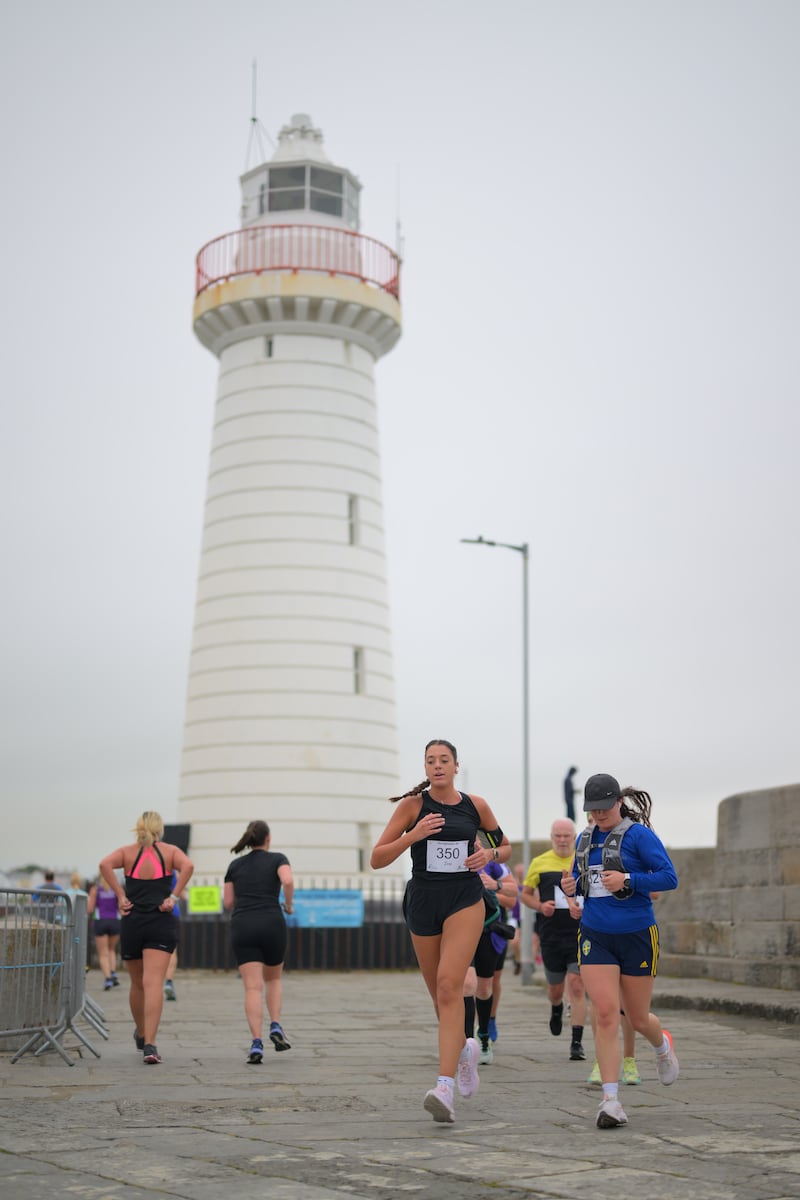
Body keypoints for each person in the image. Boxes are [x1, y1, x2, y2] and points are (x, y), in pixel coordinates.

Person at [370, 738, 511, 1124]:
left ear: (455, 765)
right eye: (430, 761)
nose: (437, 766)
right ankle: (465, 1050)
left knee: (451, 986)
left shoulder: (475, 806)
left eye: (444, 760)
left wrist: (489, 854)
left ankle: (444, 1087)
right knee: (440, 999)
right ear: (426, 767)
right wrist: (413, 835)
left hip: (464, 899)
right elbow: (377, 859)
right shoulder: (413, 807)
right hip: (423, 902)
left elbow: (506, 846)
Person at [561, 773, 679, 1129]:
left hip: (637, 935)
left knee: (638, 1018)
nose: (597, 815)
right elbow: (580, 883)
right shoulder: (584, 840)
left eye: (602, 808)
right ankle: (610, 1101)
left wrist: (629, 880)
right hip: (595, 936)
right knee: (607, 1015)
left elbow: (669, 877)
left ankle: (662, 1046)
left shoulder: (639, 836)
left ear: (617, 802)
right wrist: (572, 888)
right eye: (591, 810)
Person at [99, 811, 193, 1065]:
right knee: (154, 984)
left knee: (137, 984)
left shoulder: (128, 852)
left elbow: (104, 864)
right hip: (161, 922)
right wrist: (173, 896)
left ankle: (141, 1032)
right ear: (160, 829)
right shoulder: (171, 851)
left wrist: (120, 895)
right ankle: (150, 1045)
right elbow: (189, 866)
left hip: (133, 921)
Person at [223, 820, 294, 1064]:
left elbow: (228, 902)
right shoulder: (278, 859)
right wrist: (289, 903)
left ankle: (256, 1041)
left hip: (243, 925)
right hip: (272, 923)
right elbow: (287, 881)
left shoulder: (235, 865)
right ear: (268, 838)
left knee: (252, 987)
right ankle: (275, 1024)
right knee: (273, 979)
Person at [520, 818, 587, 1061]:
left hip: (580, 934)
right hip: (550, 936)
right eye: (557, 836)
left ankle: (576, 1042)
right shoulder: (539, 863)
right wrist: (540, 905)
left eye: (566, 836)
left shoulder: (583, 862)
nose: (561, 840)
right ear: (551, 837)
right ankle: (556, 1008)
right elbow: (524, 896)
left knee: (577, 985)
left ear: (574, 837)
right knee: (555, 989)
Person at [87, 876, 121, 989]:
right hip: (115, 921)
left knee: (103, 953)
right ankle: (113, 972)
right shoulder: (117, 889)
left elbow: (90, 909)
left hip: (101, 921)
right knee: (111, 950)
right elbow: (121, 907)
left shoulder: (95, 889)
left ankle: (108, 979)